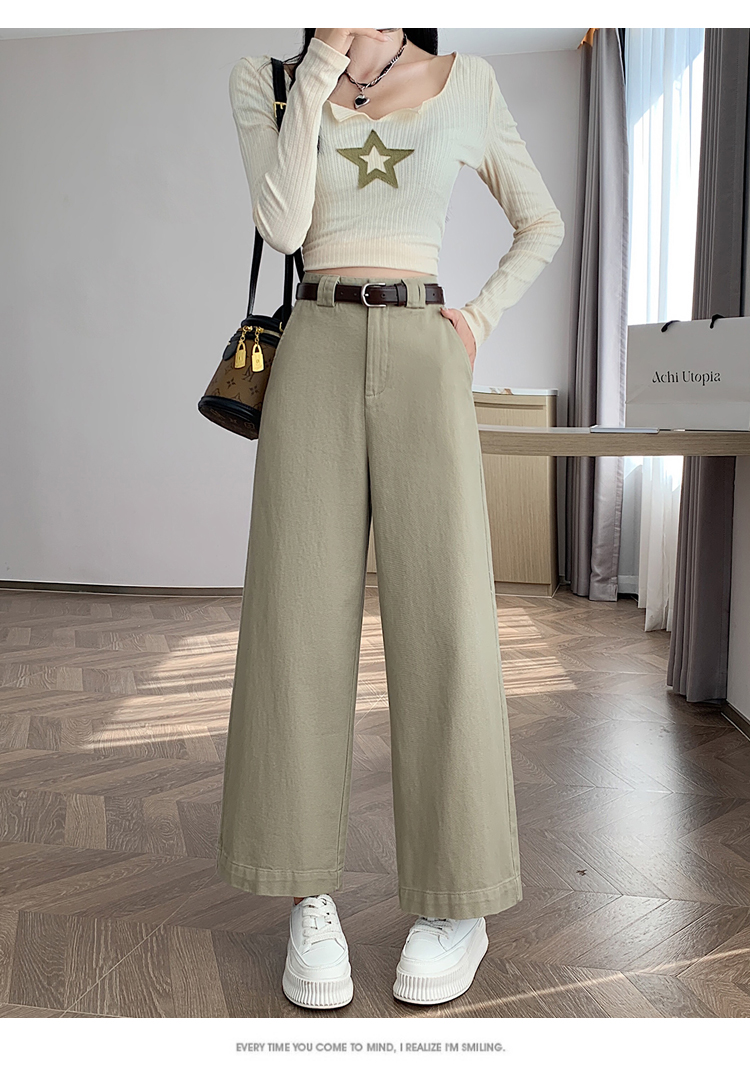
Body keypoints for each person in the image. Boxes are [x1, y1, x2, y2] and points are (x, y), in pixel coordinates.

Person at [216, 27, 565, 1010]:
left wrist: (478, 319)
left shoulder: (467, 82)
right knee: (294, 625)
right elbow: (283, 224)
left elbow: (542, 222)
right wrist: (322, 64)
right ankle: (306, 894)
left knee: (447, 625)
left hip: (423, 348)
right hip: (314, 349)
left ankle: (461, 900)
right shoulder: (269, 81)